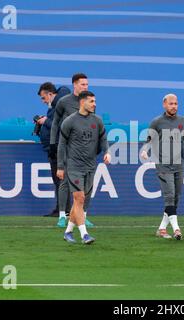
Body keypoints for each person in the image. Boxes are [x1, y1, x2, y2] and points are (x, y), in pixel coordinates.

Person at [57, 91, 110, 244]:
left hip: (90, 166)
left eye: (95, 101)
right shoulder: (69, 121)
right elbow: (61, 145)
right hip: (74, 166)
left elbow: (103, 139)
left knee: (79, 201)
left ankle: (68, 232)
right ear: (82, 102)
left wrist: (107, 152)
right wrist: (60, 166)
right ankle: (84, 234)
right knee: (79, 198)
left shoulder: (97, 121)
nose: (95, 104)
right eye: (91, 101)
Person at [141, 93, 184, 240]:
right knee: (170, 196)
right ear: (164, 104)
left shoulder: (183, 121)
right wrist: (145, 150)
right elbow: (149, 140)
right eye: (171, 104)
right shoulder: (157, 122)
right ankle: (177, 229)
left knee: (176, 198)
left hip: (179, 165)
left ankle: (162, 228)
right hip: (163, 165)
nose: (174, 106)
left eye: (176, 103)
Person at [49, 73, 94, 228]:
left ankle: (83, 216)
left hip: (86, 150)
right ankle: (62, 215)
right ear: (74, 85)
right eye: (83, 84)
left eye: (87, 85)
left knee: (87, 184)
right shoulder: (63, 102)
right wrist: (53, 143)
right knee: (66, 181)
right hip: (68, 148)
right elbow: (55, 123)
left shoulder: (89, 102)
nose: (85, 87)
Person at [37, 82, 71, 220]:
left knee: (61, 181)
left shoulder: (60, 106)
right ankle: (61, 209)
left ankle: (64, 210)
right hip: (54, 148)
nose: (44, 102)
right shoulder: (56, 106)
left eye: (44, 98)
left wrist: (45, 121)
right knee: (58, 181)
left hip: (58, 148)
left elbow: (60, 126)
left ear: (50, 94)